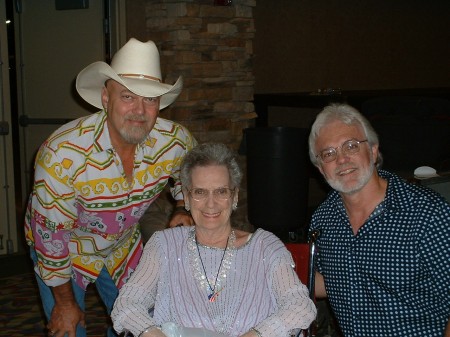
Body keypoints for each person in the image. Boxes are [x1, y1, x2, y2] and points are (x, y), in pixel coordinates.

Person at [24, 38, 196, 337]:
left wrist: (182, 206)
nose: (139, 111)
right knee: (68, 328)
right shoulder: (62, 154)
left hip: (122, 244)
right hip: (65, 247)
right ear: (106, 98)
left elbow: (192, 175)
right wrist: (64, 303)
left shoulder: (175, 141)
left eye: (150, 99)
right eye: (128, 97)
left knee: (146, 326)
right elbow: (49, 236)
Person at [111, 142, 317, 337]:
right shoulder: (165, 245)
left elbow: (300, 306)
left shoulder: (265, 246)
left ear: (234, 197)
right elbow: (127, 304)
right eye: (200, 192)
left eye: (221, 192)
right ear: (187, 197)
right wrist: (152, 333)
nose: (211, 204)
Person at [307, 103, 450, 337]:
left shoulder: (426, 214)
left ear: (373, 151)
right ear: (321, 169)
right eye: (329, 154)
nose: (341, 160)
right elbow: (331, 280)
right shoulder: (323, 219)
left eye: (351, 146)